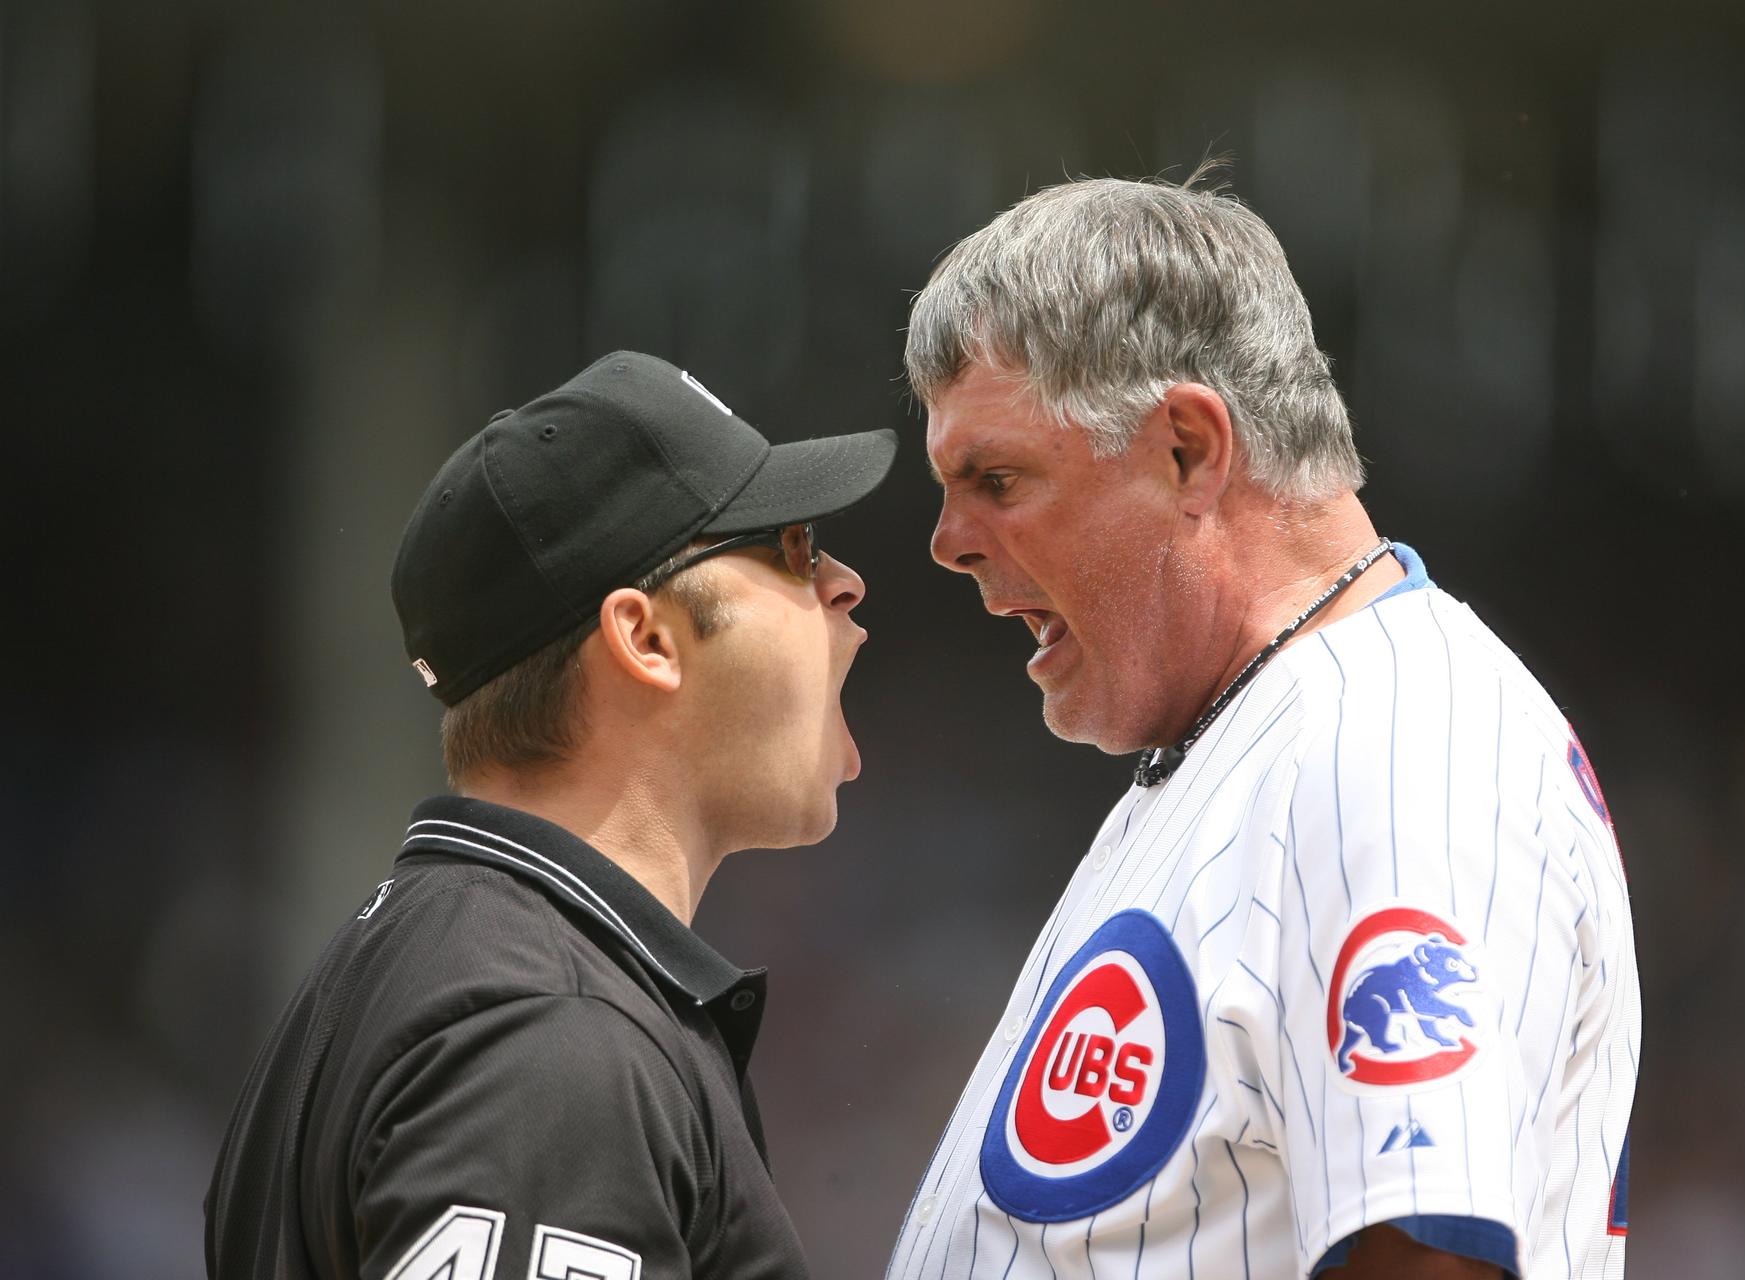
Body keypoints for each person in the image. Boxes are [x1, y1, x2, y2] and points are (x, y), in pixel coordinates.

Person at [888, 175, 1639, 1280]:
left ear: (1189, 447)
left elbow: (1432, 1256)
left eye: (996, 476)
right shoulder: (1262, 727)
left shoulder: (1391, 743)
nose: (949, 539)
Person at [206, 352, 894, 1279]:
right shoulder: (550, 1041)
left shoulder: (436, 961)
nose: (843, 583)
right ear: (646, 638)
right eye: (796, 546)